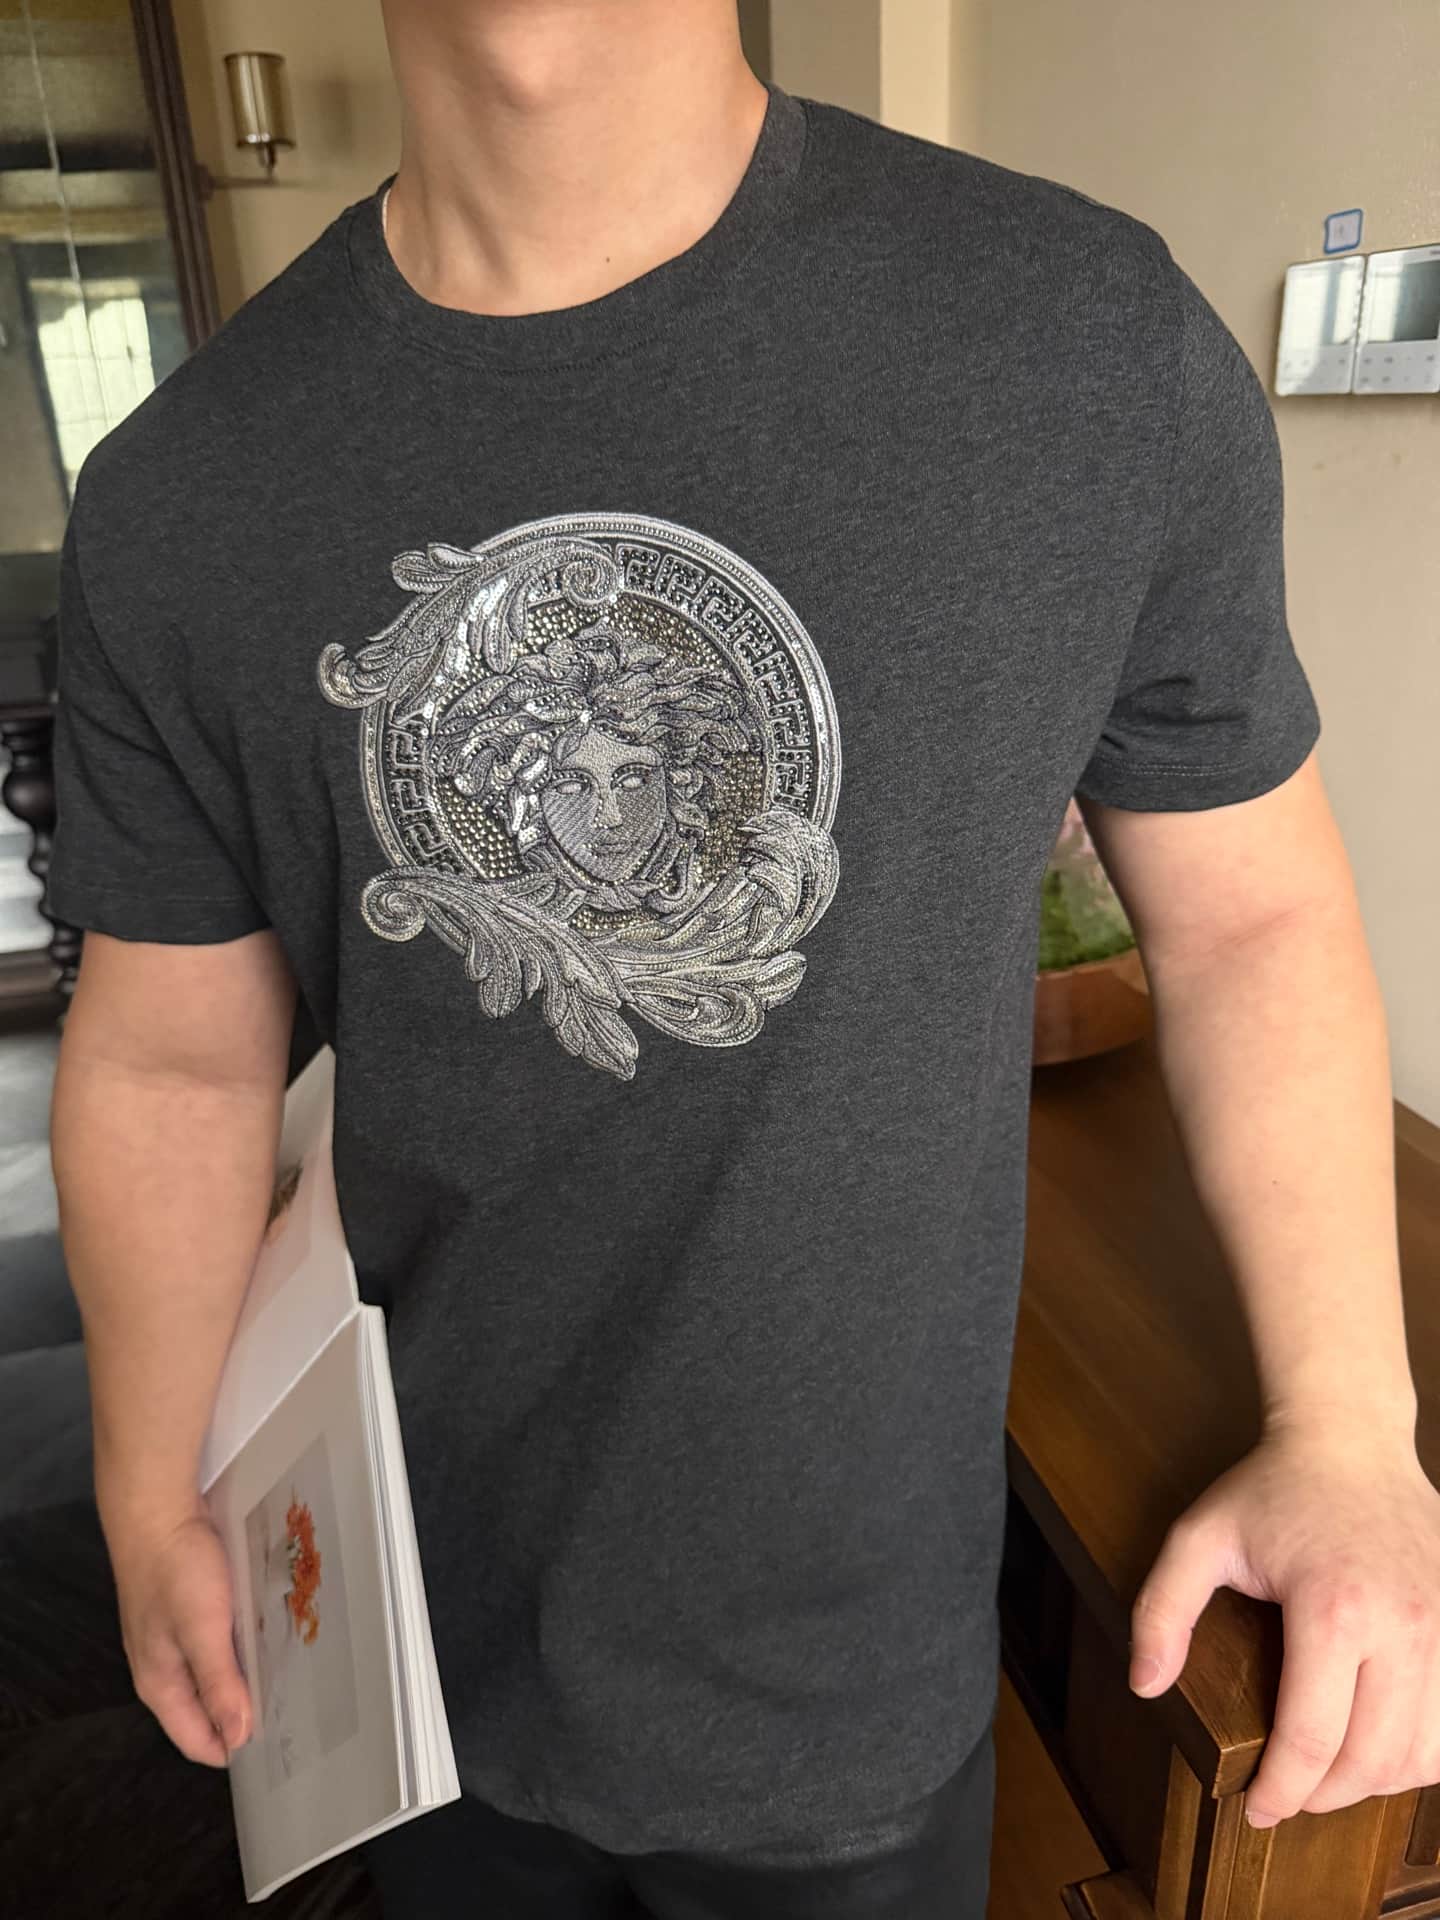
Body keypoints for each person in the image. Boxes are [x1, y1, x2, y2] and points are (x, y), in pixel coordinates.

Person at [45, 4, 1440, 1917]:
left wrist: (1351, 1431)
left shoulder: (1084, 343)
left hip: (854, 1715)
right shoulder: (175, 500)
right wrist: (146, 1489)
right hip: (409, 1668)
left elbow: (1253, 915)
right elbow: (172, 1062)